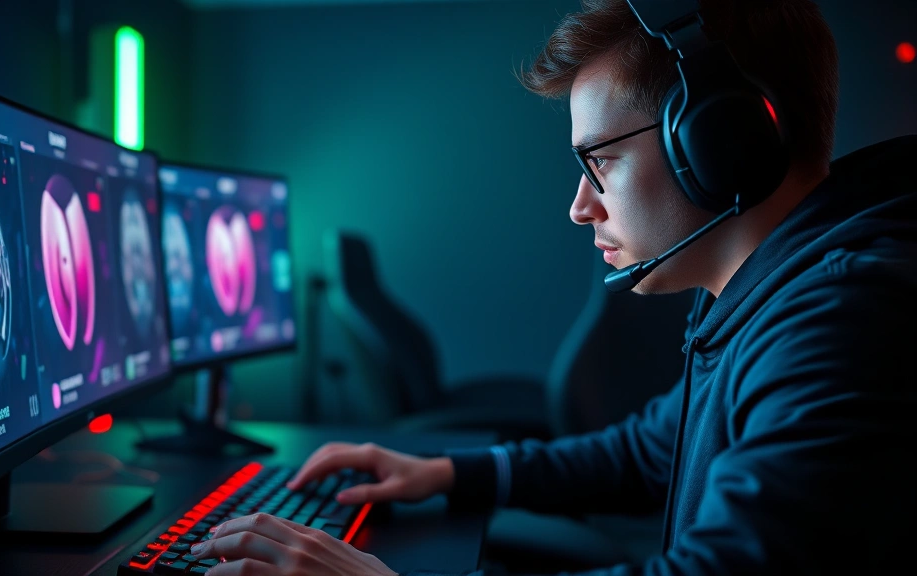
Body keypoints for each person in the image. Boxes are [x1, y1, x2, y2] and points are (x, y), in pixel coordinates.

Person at [187, 0, 917, 574]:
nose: (579, 205)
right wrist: (443, 470)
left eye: (598, 164)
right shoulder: (772, 295)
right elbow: (644, 453)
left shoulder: (843, 321)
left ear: (723, 143)